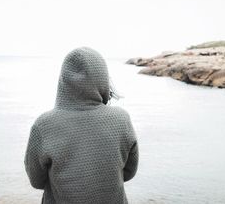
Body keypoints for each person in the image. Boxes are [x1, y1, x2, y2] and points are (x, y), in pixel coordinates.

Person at [24, 47, 139, 204]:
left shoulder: (43, 125)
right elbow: (129, 172)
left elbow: (36, 181)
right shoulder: (121, 120)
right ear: (102, 78)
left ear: (63, 81)